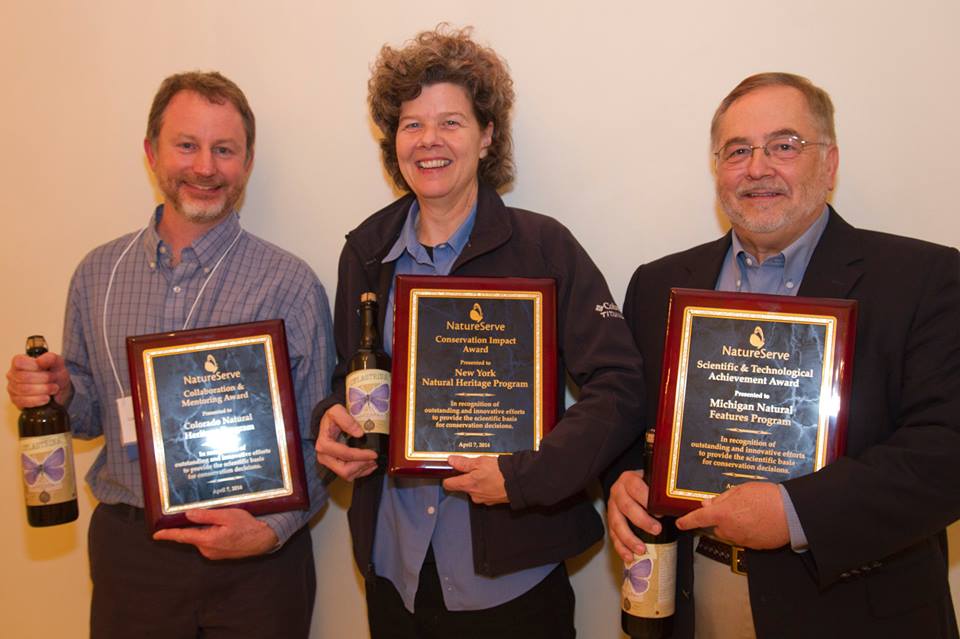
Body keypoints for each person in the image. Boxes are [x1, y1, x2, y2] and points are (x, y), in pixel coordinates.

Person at [313, 26, 644, 638]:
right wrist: (334, 422)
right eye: (411, 124)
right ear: (394, 141)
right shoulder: (365, 251)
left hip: (511, 577)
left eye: (451, 122)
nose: (429, 141)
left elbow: (620, 386)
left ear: (488, 136)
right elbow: (351, 378)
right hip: (397, 568)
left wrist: (526, 475)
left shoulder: (544, 247)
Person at [605, 72, 960, 638]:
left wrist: (797, 514)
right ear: (716, 168)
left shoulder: (927, 279)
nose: (757, 167)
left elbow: (946, 453)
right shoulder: (659, 284)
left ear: (830, 163)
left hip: (850, 610)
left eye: (784, 146)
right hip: (692, 603)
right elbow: (628, 420)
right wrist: (621, 477)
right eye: (737, 150)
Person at [6, 71, 334, 638]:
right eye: (186, 145)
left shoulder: (291, 284)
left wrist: (272, 528)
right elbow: (88, 418)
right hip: (132, 555)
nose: (205, 167)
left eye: (224, 150)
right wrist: (60, 391)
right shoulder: (96, 274)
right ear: (151, 151)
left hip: (258, 565)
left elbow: (323, 440)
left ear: (247, 162)